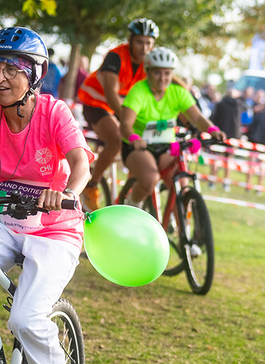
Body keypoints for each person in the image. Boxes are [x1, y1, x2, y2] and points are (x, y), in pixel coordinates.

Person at [0, 27, 94, 364]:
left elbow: (80, 162)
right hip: (6, 222)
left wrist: (67, 192)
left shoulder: (53, 112)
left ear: (34, 75)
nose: (1, 77)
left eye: (11, 69)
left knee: (25, 320)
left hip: (55, 228)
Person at [118, 47, 225, 208]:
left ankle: (180, 224)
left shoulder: (178, 92)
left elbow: (197, 118)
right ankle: (132, 205)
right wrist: (135, 138)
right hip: (137, 146)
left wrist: (213, 130)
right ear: (148, 72)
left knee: (181, 185)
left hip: (166, 146)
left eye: (167, 73)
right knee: (150, 179)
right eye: (157, 73)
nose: (162, 78)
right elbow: (125, 124)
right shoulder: (138, 91)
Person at [78, 18, 158, 211]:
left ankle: (133, 188)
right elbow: (111, 93)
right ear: (130, 40)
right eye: (140, 42)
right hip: (95, 102)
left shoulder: (151, 62)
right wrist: (125, 121)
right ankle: (91, 185)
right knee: (117, 139)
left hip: (121, 107)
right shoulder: (116, 57)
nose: (144, 48)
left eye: (149, 43)